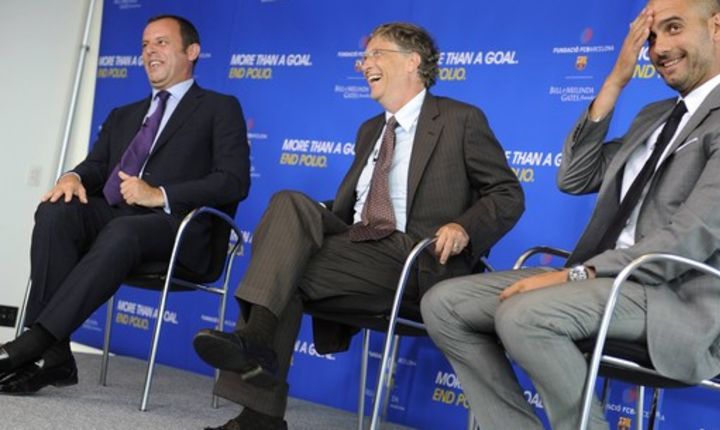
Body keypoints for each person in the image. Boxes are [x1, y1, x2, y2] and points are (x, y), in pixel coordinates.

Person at [420, 0, 720, 428]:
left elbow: (694, 235)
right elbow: (574, 177)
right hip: (603, 282)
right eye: (650, 37)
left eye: (674, 28)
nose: (659, 47)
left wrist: (578, 274)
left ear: (716, 25)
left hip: (672, 299)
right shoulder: (655, 116)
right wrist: (614, 82)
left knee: (525, 315)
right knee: (444, 304)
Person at [192, 22, 524, 430]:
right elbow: (350, 208)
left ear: (412, 62)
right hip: (358, 244)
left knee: (283, 265)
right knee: (287, 212)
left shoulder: (460, 120)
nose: (363, 64)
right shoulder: (370, 130)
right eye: (364, 57)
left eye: (375, 54)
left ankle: (258, 387)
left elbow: (508, 194)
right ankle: (258, 366)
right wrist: (304, 217)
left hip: (414, 257)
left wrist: (464, 226)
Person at [0, 15, 250, 395]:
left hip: (178, 231)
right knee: (56, 210)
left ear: (192, 52)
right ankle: (56, 356)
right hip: (118, 222)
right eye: (145, 45)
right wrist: (74, 177)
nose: (149, 51)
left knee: (123, 228)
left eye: (162, 43)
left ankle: (36, 342)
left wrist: (159, 194)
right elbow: (98, 166)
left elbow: (234, 180)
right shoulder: (124, 114)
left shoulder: (220, 107)